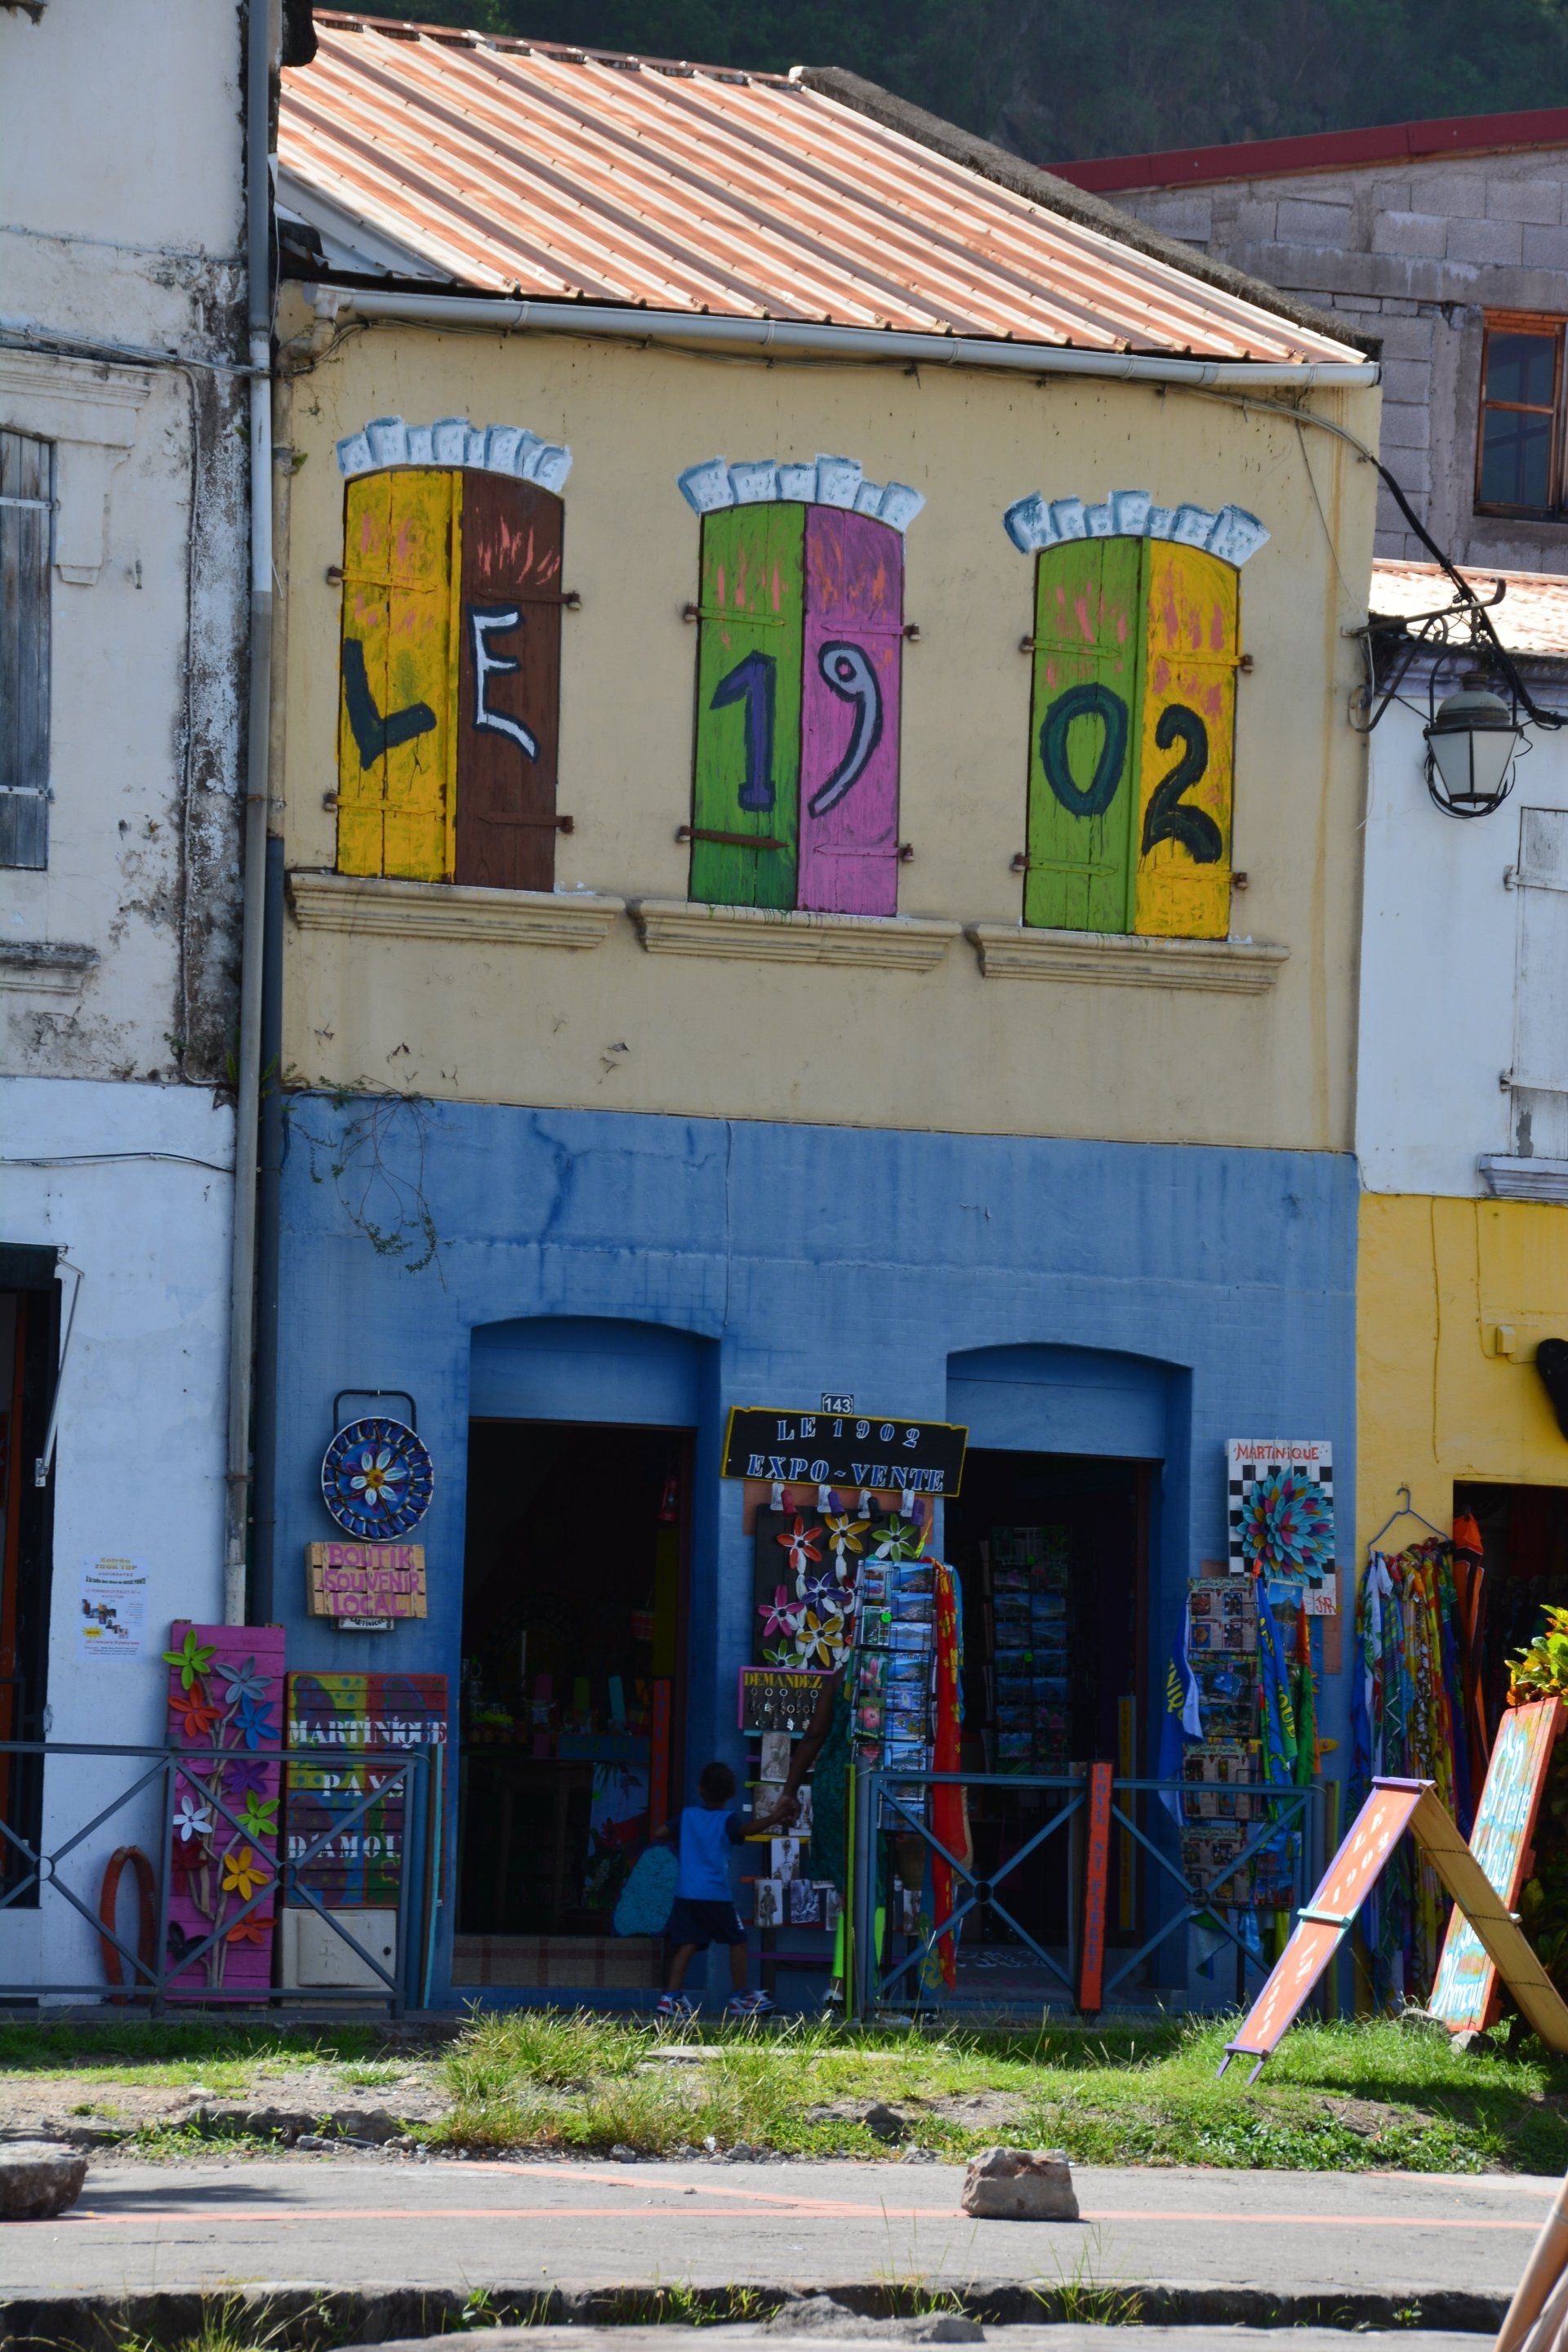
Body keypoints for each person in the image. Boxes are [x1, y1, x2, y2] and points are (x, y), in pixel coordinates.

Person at [655, 1758, 786, 2020]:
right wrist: (774, 1817)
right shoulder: (728, 1820)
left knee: (688, 1943)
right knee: (738, 1941)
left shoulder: (687, 1816)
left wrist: (681, 1838)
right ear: (731, 1793)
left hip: (686, 1894)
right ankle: (740, 1997)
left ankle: (670, 1997)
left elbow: (660, 1832)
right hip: (715, 1896)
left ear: (701, 1788)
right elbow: (747, 1830)